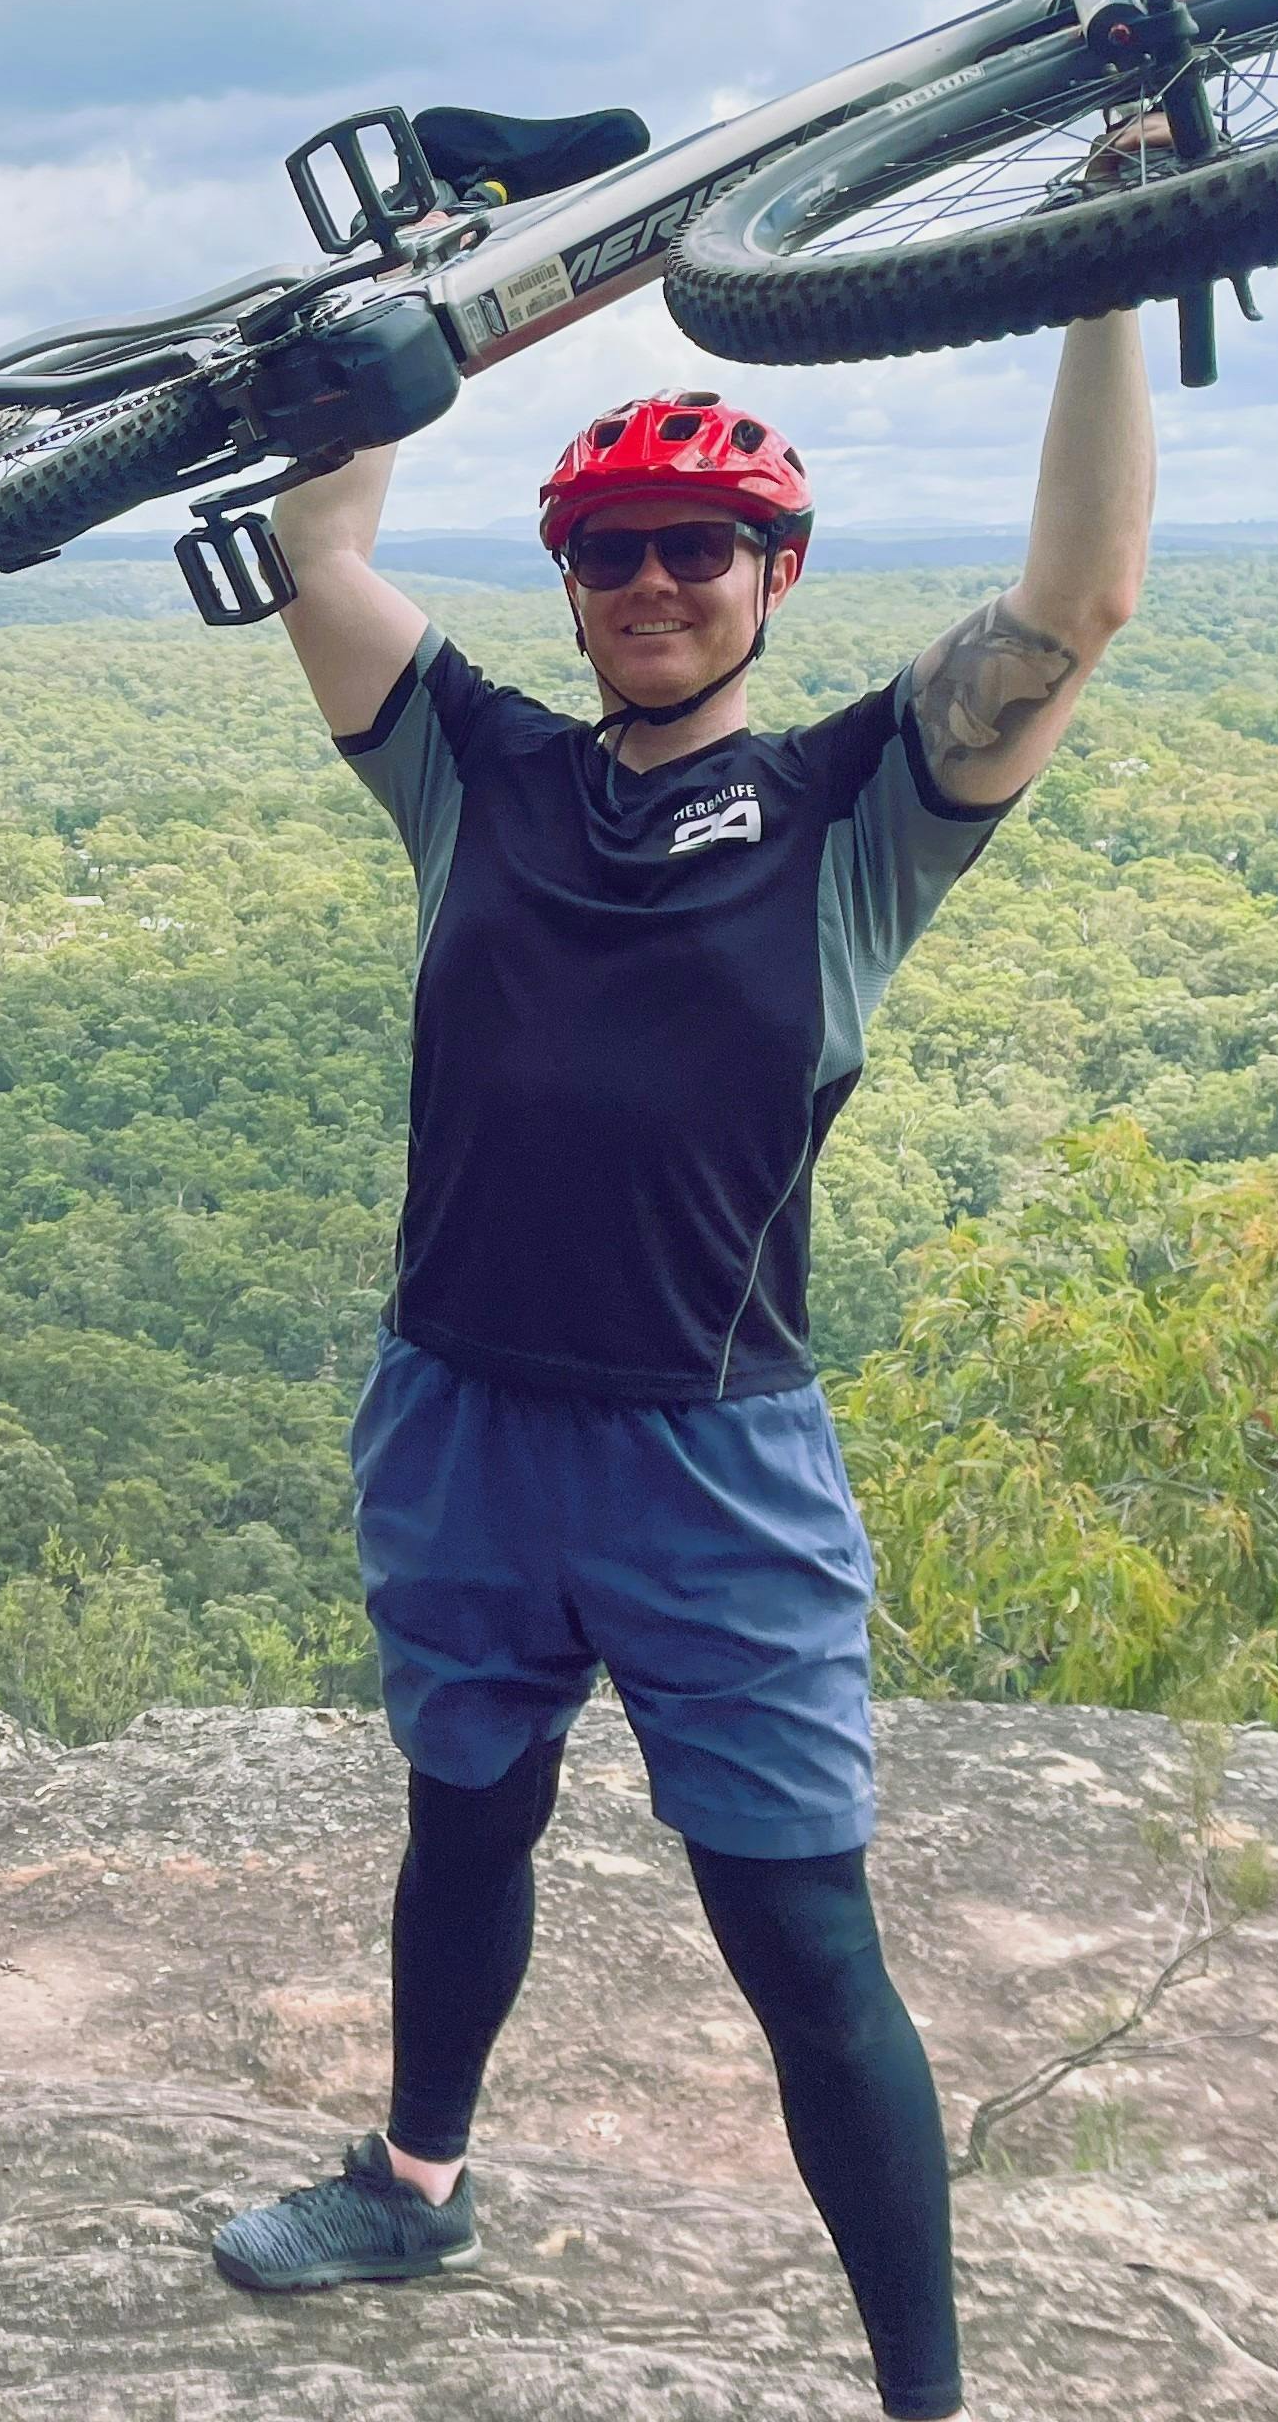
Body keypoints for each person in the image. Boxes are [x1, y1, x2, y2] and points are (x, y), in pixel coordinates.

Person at [204, 305, 1156, 2422]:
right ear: (568, 575)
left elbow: (1076, 605)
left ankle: (927, 2402)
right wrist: (406, 337)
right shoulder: (487, 770)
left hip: (712, 1462)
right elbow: (319, 548)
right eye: (614, 544)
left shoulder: (852, 814)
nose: (654, 579)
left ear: (775, 579)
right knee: (467, 1823)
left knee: (808, 1954)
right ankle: (417, 2180)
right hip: (454, 1411)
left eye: (701, 548)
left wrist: (1109, 269)